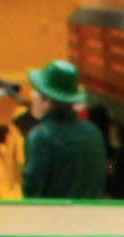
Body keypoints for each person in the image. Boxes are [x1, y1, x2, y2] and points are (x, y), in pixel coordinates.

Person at [20, 60, 107, 202]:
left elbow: (31, 190)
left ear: (46, 100)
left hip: (53, 216)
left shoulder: (41, 137)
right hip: (89, 215)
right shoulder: (93, 133)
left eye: (37, 91)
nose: (32, 95)